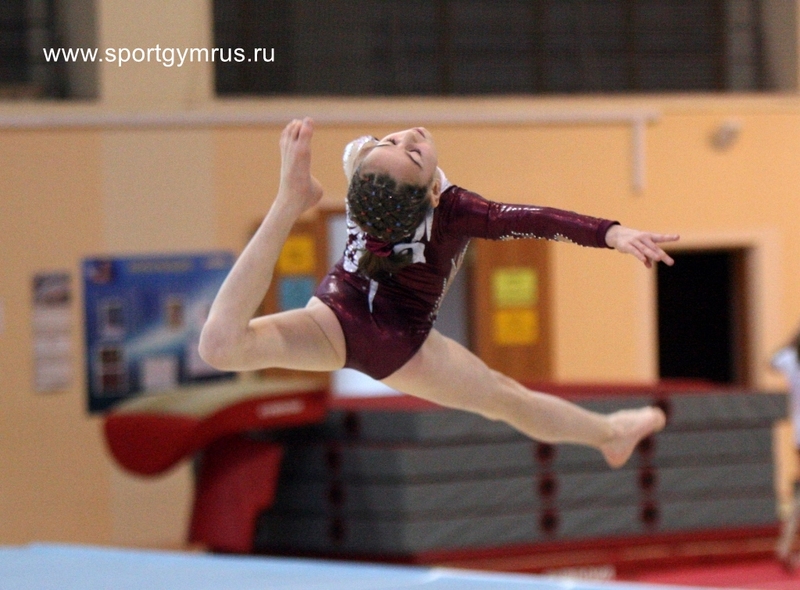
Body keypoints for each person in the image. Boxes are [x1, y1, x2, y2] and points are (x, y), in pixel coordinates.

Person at [200, 117, 679, 469]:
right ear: (431, 192)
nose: (408, 136)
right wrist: (293, 197)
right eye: (403, 149)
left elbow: (536, 220)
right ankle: (288, 203)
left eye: (401, 144)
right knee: (219, 347)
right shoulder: (432, 198)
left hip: (384, 337)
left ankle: (611, 434)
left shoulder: (398, 180)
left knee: (506, 398)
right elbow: (535, 219)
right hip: (348, 326)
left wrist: (611, 233)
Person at [772, 328, 800, 569]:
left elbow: (771, 361)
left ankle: (786, 543)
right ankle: (785, 543)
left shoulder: (790, 358)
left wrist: (791, 341)